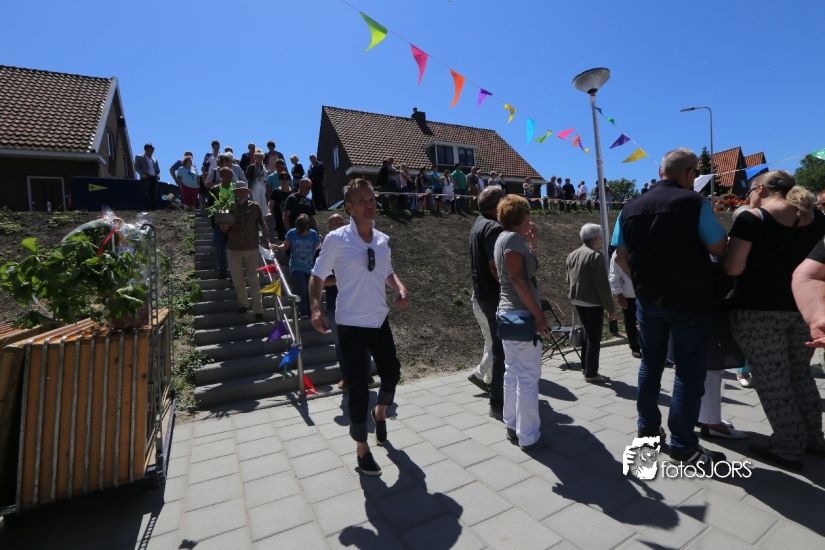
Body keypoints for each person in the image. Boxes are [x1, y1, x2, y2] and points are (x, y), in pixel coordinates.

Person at [612, 147, 727, 467]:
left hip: (649, 301)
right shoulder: (693, 203)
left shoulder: (629, 207)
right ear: (689, 173)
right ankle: (683, 444)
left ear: (660, 172)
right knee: (688, 371)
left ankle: (648, 430)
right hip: (690, 301)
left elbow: (619, 256)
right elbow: (719, 246)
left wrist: (642, 282)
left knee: (650, 365)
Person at [725, 170, 825, 470]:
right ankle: (814, 439)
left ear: (760, 189)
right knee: (800, 374)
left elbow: (733, 268)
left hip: (758, 311)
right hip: (803, 310)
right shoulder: (817, 219)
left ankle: (788, 447)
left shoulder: (752, 219)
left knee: (772, 379)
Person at [309, 178, 408, 476]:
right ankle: (362, 448)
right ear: (349, 207)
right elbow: (317, 275)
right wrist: (315, 307)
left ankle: (381, 413)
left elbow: (387, 272)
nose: (369, 205)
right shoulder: (336, 239)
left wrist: (399, 287)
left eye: (372, 199)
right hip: (351, 324)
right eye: (362, 200)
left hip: (378, 320)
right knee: (359, 387)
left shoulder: (382, 240)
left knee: (392, 373)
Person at [494, 194, 550, 450]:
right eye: (528, 214)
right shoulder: (514, 240)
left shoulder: (504, 239)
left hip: (507, 313)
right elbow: (517, 279)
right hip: (521, 315)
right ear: (520, 216)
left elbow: (520, 272)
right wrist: (538, 315)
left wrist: (532, 244)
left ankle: (512, 424)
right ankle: (529, 436)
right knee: (528, 377)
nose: (530, 219)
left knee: (512, 372)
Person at [468, 187, 507, 418]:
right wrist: (510, 288)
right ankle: (498, 404)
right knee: (500, 350)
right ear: (497, 205)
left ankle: (491, 386)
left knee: (493, 345)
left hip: (482, 294)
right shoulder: (493, 227)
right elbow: (495, 266)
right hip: (494, 296)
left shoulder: (478, 224)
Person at [566, 223, 615, 383]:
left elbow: (568, 279)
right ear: (595, 238)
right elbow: (602, 285)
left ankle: (585, 366)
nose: (601, 240)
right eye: (600, 237)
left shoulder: (572, 254)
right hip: (592, 301)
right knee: (594, 338)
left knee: (587, 334)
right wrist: (611, 308)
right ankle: (591, 373)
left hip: (577, 299)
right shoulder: (596, 256)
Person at [222, 181, 270, 321]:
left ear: (247, 192)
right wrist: (225, 226)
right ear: (235, 193)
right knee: (238, 279)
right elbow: (223, 229)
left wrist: (267, 239)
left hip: (251, 247)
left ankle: (258, 309)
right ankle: (243, 303)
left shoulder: (255, 207)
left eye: (242, 190)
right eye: (238, 191)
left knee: (254, 279)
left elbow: (262, 223)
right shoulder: (228, 207)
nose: (240, 193)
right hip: (233, 248)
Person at [273, 213, 320, 318]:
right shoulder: (292, 233)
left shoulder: (313, 234)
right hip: (296, 266)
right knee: (302, 287)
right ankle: (304, 312)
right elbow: (285, 245)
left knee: (310, 289)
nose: (302, 231)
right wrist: (277, 247)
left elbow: (317, 247)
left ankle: (311, 311)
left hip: (310, 266)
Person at [609, 250, 641, 358]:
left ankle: (647, 344)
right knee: (630, 321)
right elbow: (614, 277)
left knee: (647, 320)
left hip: (643, 293)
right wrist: (619, 294)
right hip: (628, 295)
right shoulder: (617, 255)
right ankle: (635, 347)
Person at [206, 166, 236, 279]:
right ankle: (222, 271)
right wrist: (220, 222)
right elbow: (209, 208)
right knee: (220, 248)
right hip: (219, 225)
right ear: (221, 177)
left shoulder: (235, 189)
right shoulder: (214, 190)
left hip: (233, 226)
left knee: (233, 250)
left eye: (230, 176)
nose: (229, 178)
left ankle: (233, 273)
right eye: (227, 176)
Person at [245, 148, 271, 218]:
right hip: (254, 188)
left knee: (265, 205)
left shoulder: (265, 168)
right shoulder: (251, 167)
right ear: (255, 157)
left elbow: (267, 178)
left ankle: (264, 220)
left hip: (264, 189)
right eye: (258, 157)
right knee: (256, 204)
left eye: (261, 157)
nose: (260, 158)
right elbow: (246, 177)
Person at [135, 143, 160, 210]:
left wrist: (158, 175)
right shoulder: (139, 157)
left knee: (154, 194)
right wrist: (142, 174)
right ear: (145, 150)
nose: (151, 152)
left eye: (152, 151)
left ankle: (154, 209)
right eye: (150, 151)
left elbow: (158, 170)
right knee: (146, 193)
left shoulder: (154, 159)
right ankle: (145, 208)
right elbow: (136, 167)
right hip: (146, 177)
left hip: (154, 178)